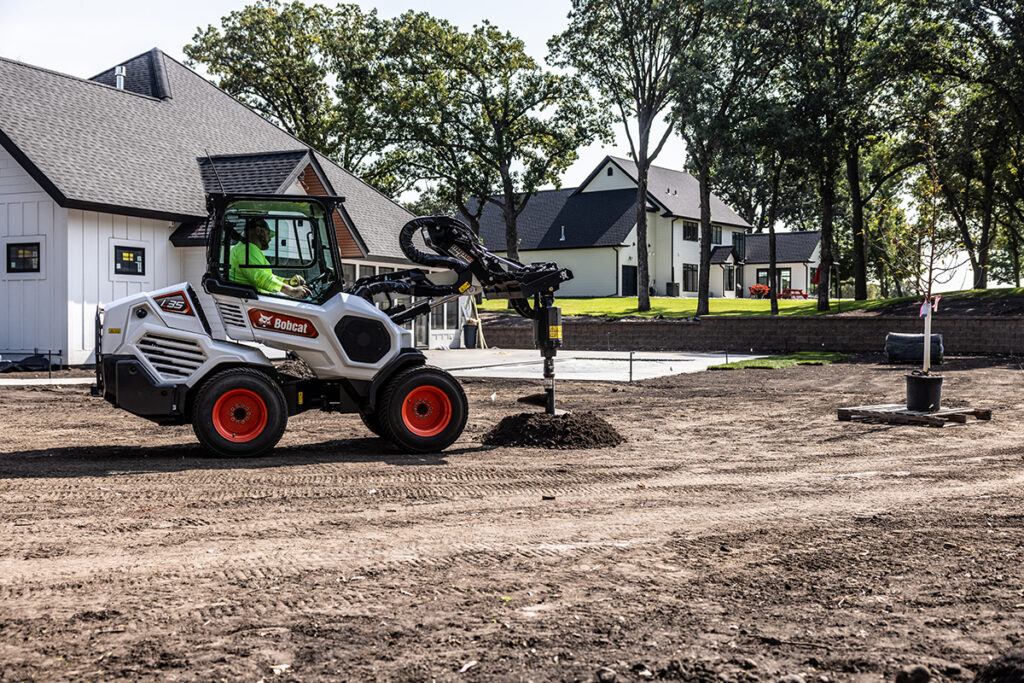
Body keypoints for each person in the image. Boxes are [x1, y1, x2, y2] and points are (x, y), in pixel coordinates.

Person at [229, 218, 311, 298]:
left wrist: (288, 282)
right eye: (268, 234)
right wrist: (292, 291)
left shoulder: (248, 248)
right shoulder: (246, 250)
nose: (270, 239)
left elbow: (268, 276)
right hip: (253, 299)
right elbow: (260, 278)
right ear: (258, 231)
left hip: (257, 297)